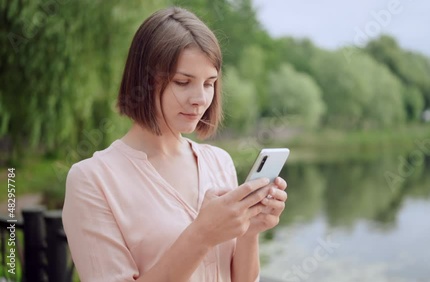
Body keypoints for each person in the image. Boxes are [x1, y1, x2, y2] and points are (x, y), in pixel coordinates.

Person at [62, 6, 288, 282]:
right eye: (183, 82)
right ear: (143, 80)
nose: (200, 99)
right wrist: (202, 235)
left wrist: (249, 231)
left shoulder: (218, 161)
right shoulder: (92, 179)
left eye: (209, 83)